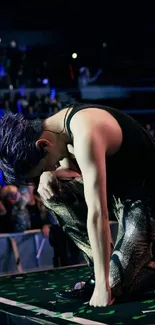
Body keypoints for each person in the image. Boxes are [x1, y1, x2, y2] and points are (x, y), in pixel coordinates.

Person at [1, 103, 155, 307]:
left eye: (43, 167)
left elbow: (97, 212)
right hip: (120, 194)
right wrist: (51, 174)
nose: (47, 169)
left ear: (43, 144)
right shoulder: (58, 130)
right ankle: (100, 268)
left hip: (145, 199)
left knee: (115, 285)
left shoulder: (86, 131)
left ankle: (139, 265)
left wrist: (102, 286)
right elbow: (75, 175)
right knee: (51, 190)